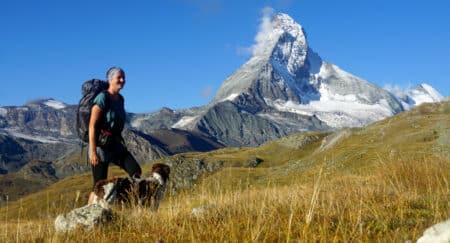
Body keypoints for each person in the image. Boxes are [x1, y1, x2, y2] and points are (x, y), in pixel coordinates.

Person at [87, 67, 142, 204]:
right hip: (101, 145)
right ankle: (87, 214)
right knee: (98, 185)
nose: (122, 80)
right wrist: (93, 152)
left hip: (115, 143)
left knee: (135, 171)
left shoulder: (120, 99)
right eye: (119, 77)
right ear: (110, 79)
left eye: (123, 77)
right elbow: (92, 126)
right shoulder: (102, 98)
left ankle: (130, 202)